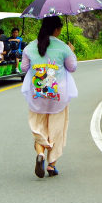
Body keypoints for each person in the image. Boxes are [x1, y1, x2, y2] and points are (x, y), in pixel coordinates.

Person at [20, 15, 78, 178]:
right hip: (57, 94)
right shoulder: (63, 48)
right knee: (57, 128)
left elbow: (24, 68)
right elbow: (72, 68)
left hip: (38, 94)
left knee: (38, 127)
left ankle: (41, 155)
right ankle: (52, 166)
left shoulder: (30, 47)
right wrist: (71, 52)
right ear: (58, 29)